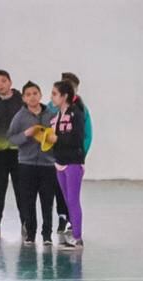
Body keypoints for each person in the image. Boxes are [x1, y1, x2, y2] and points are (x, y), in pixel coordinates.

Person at [8, 82, 58, 246]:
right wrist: (26, 134)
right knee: (28, 200)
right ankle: (30, 233)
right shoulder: (20, 117)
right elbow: (11, 138)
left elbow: (58, 137)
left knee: (47, 201)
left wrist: (53, 139)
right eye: (28, 94)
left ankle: (47, 235)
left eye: (35, 93)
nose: (32, 97)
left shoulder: (51, 115)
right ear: (23, 98)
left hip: (48, 165)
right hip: (26, 165)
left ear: (40, 95)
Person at [51, 72, 92, 236]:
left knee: (73, 201)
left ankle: (77, 237)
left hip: (73, 162)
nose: (51, 98)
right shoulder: (57, 115)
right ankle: (73, 231)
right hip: (59, 162)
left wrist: (57, 139)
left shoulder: (77, 113)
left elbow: (77, 138)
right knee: (67, 200)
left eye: (54, 94)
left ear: (64, 96)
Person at [0, 69, 24, 238]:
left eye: (3, 81)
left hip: (19, 153)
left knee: (21, 189)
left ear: (10, 82)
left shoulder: (21, 101)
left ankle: (26, 223)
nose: (0, 85)